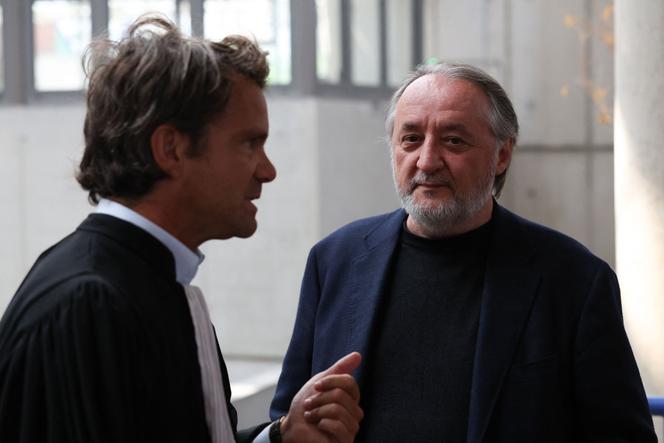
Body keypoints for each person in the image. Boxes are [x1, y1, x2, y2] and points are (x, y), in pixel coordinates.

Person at [0, 16, 363, 443]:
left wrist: (282, 435)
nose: (268, 171)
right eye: (249, 143)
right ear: (170, 149)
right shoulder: (88, 304)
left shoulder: (147, 282)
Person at [270, 62, 656, 442]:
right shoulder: (333, 261)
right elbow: (289, 421)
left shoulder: (575, 281)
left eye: (453, 141)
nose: (427, 161)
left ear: (502, 155)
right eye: (411, 139)